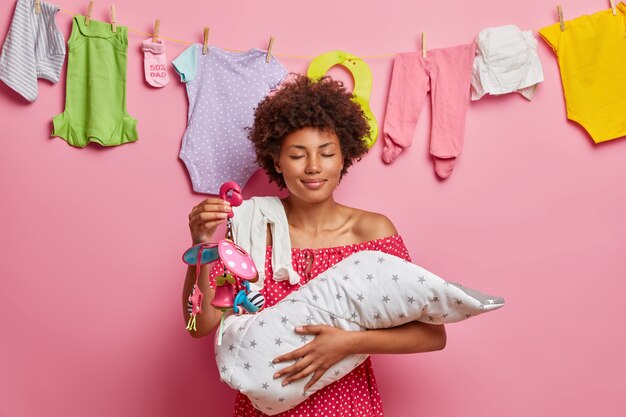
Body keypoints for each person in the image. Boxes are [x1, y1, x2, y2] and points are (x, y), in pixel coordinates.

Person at [182, 74, 447, 417]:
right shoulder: (252, 227)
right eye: (297, 155)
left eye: (326, 153)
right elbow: (198, 325)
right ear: (277, 162)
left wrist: (348, 343)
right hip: (264, 407)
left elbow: (431, 334)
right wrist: (200, 245)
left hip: (347, 406)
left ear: (343, 158)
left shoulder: (372, 231)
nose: (313, 167)